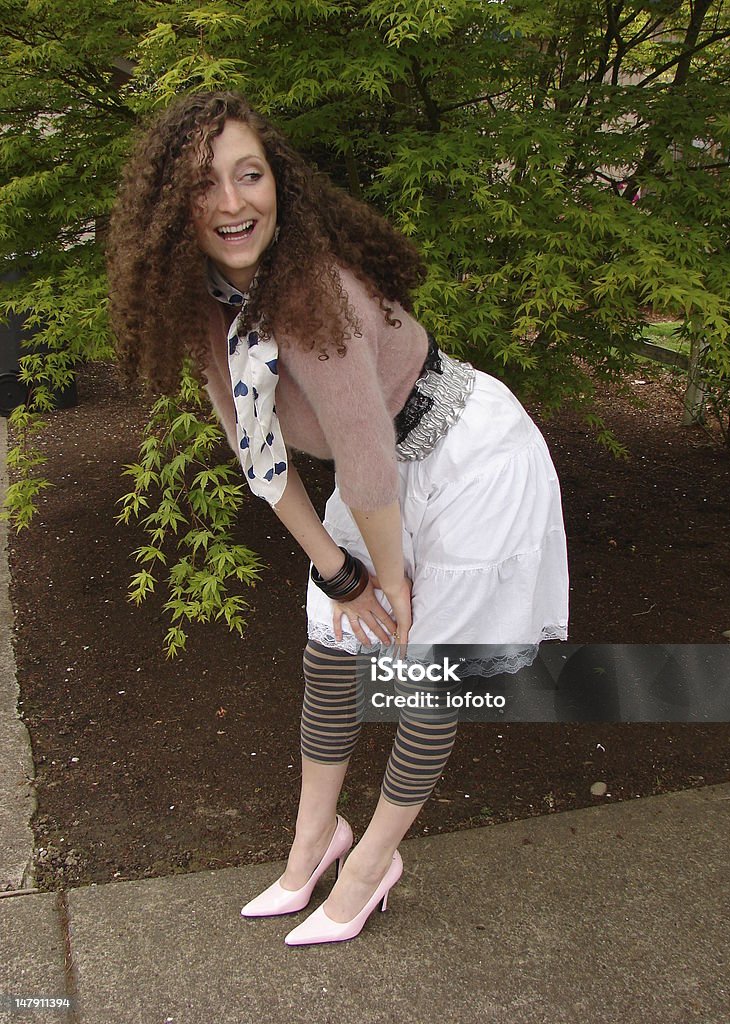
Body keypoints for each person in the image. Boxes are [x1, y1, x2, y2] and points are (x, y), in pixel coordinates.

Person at [107, 90, 569, 946]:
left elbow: (364, 464)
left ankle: (368, 871)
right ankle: (315, 844)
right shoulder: (209, 307)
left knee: (428, 669)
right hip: (385, 481)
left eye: (252, 175)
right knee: (332, 647)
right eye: (208, 185)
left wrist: (387, 588)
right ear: (177, 207)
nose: (235, 201)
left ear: (279, 182)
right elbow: (260, 457)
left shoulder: (312, 290)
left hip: (470, 457)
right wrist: (338, 575)